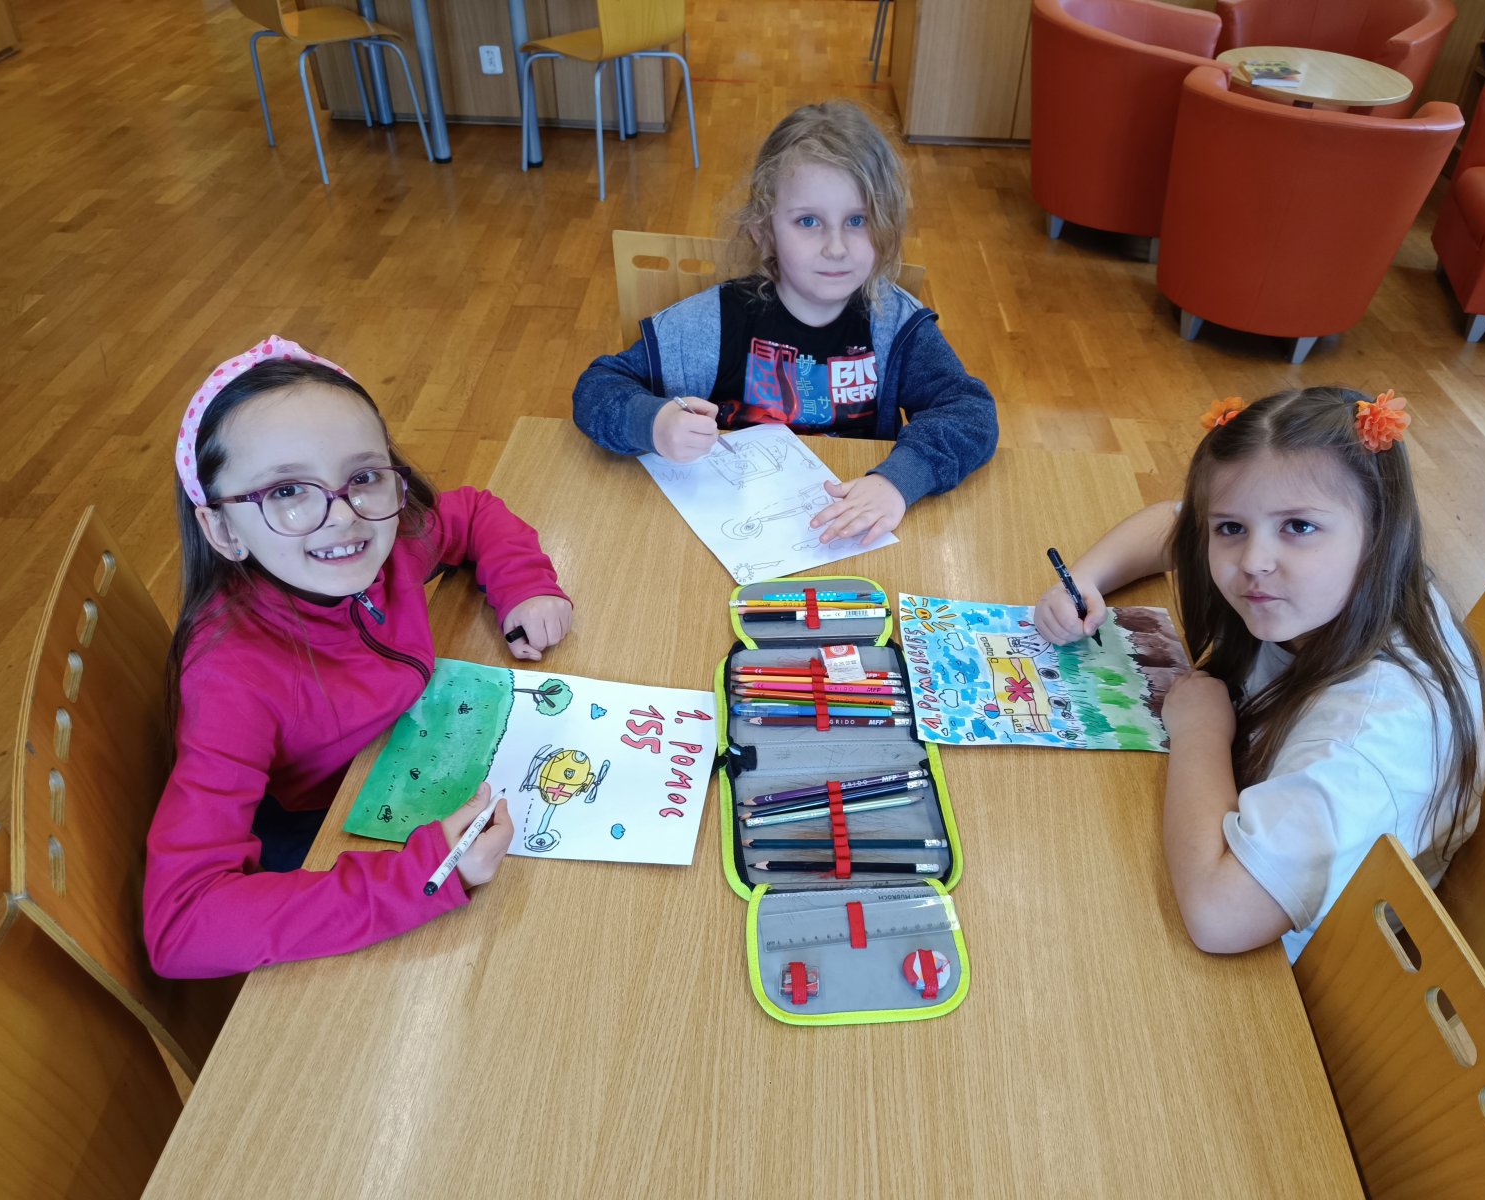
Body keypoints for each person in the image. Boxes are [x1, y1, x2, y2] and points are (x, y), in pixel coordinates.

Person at [145, 336, 573, 978]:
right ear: (223, 529)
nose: (342, 516)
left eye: (364, 477)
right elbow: (183, 926)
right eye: (287, 490)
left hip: (399, 768)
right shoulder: (231, 679)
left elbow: (472, 513)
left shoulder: (393, 542)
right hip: (325, 839)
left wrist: (527, 584)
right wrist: (419, 877)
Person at [1036, 387, 1485, 961]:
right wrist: (1083, 581)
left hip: (1286, 965)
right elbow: (1172, 524)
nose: (1252, 561)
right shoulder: (1356, 581)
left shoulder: (1368, 740)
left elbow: (1218, 919)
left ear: (1380, 532)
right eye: (1232, 527)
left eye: (1298, 526)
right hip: (1247, 826)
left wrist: (1201, 732)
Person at [573, 99, 998, 548]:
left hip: (855, 535)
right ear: (764, 230)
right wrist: (654, 423)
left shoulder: (896, 325)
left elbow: (971, 412)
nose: (836, 247)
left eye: (858, 220)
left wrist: (898, 480)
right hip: (730, 538)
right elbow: (597, 388)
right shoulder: (713, 321)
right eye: (808, 221)